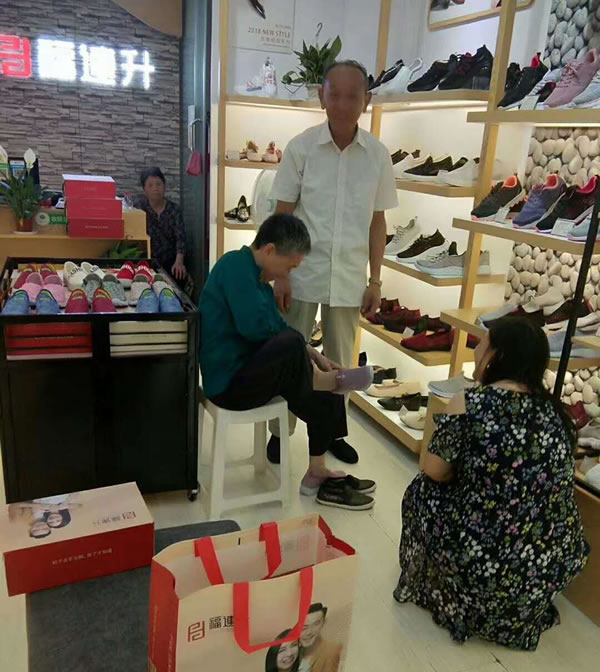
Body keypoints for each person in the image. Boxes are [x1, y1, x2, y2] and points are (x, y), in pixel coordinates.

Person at [394, 317, 590, 650]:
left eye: (482, 343)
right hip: (547, 564)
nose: (476, 349)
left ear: (496, 355)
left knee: (422, 489)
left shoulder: (470, 402)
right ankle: (515, 597)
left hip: (482, 563)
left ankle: (463, 591)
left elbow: (433, 469)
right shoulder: (558, 414)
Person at [268, 59, 398, 465]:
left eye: (352, 96)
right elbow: (282, 214)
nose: (342, 104)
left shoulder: (377, 155)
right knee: (291, 356)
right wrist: (280, 275)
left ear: (366, 100)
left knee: (342, 361)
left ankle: (331, 433)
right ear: (322, 96)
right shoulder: (302, 148)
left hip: (348, 277)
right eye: (334, 94)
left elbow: (378, 222)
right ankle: (280, 431)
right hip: (301, 273)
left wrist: (376, 281)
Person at [198, 213, 376, 510]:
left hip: (248, 371)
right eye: (289, 267)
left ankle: (317, 471)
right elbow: (254, 328)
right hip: (227, 386)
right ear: (270, 250)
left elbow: (277, 326)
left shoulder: (257, 278)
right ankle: (322, 380)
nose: (288, 274)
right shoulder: (234, 266)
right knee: (299, 350)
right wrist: (300, 350)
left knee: (327, 381)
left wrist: (315, 355)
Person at [136, 167, 187, 281]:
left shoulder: (174, 209)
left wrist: (179, 262)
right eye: (150, 185)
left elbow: (180, 239)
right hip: (146, 260)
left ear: (164, 186)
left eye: (158, 184)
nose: (155, 188)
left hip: (170, 260)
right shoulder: (139, 209)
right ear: (144, 189)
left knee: (178, 275)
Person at [298, 603, 341, 672]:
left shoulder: (331, 652)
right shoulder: (293, 653)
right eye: (304, 628)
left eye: (316, 624)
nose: (309, 632)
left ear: (323, 623)